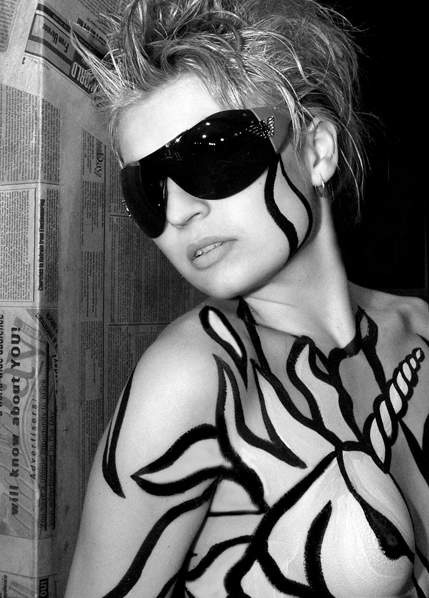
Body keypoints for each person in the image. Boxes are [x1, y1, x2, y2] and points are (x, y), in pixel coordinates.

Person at [65, 1, 429, 596]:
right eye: (147, 187)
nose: (180, 211)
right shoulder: (194, 377)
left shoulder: (420, 331)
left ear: (317, 151)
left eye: (216, 154)